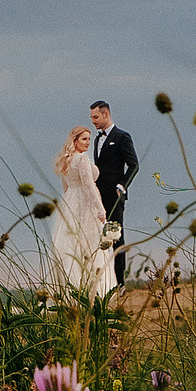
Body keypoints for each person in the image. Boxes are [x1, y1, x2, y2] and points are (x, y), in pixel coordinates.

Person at [51, 126, 114, 299]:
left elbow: (66, 188)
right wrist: (100, 209)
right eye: (84, 139)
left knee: (71, 243)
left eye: (88, 139)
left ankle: (71, 289)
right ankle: (94, 291)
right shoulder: (82, 160)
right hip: (85, 203)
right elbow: (89, 185)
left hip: (70, 202)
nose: (87, 142)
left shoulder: (65, 160)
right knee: (90, 243)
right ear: (75, 140)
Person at [89, 100, 139, 285]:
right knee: (98, 238)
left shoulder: (122, 137)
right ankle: (103, 281)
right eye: (92, 118)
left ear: (105, 114)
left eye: (95, 117)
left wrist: (122, 186)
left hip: (114, 197)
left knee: (116, 237)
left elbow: (134, 164)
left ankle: (120, 284)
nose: (93, 121)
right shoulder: (96, 139)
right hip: (97, 196)